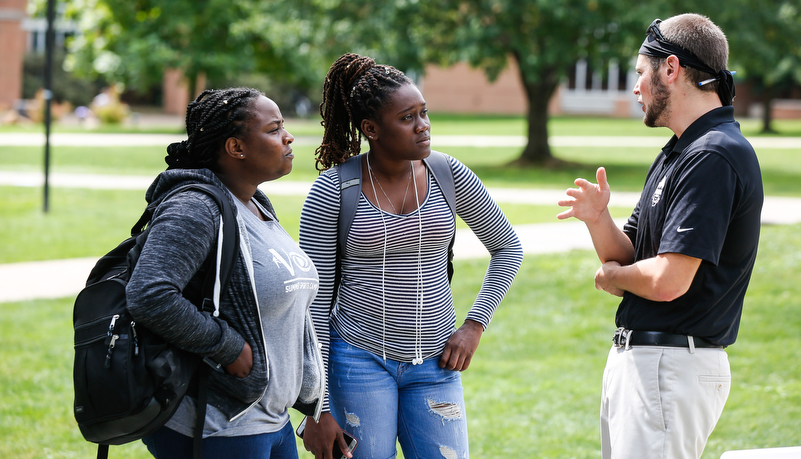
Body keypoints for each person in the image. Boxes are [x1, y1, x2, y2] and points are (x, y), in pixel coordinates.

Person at [557, 14, 764, 459]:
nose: (635, 88)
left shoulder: (713, 155)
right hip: (649, 365)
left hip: (670, 366)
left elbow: (669, 280)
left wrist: (614, 278)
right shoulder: (680, 150)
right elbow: (631, 252)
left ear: (670, 69)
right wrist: (598, 219)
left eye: (639, 74)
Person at [297, 53, 523, 459]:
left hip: (437, 367)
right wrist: (319, 407)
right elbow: (311, 307)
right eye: (407, 118)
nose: (424, 126)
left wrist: (474, 326)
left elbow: (508, 247)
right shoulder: (334, 191)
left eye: (424, 113)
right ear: (371, 129)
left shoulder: (448, 174)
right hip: (357, 360)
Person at [126, 87, 325, 459]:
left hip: (271, 420)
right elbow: (149, 294)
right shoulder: (195, 207)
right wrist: (227, 347)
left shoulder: (255, 204)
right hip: (219, 424)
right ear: (236, 148)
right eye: (273, 129)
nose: (288, 136)